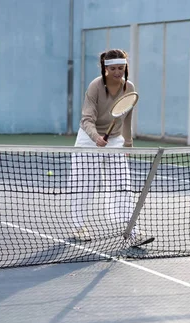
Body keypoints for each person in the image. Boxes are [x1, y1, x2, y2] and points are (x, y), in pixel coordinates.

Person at [70, 48, 153, 247]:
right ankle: (78, 226)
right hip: (88, 140)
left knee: (123, 185)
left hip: (114, 140)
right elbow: (86, 119)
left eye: (121, 68)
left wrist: (128, 144)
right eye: (114, 68)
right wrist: (96, 137)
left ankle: (131, 229)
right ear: (105, 69)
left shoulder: (128, 87)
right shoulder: (95, 87)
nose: (118, 72)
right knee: (85, 186)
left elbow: (126, 118)